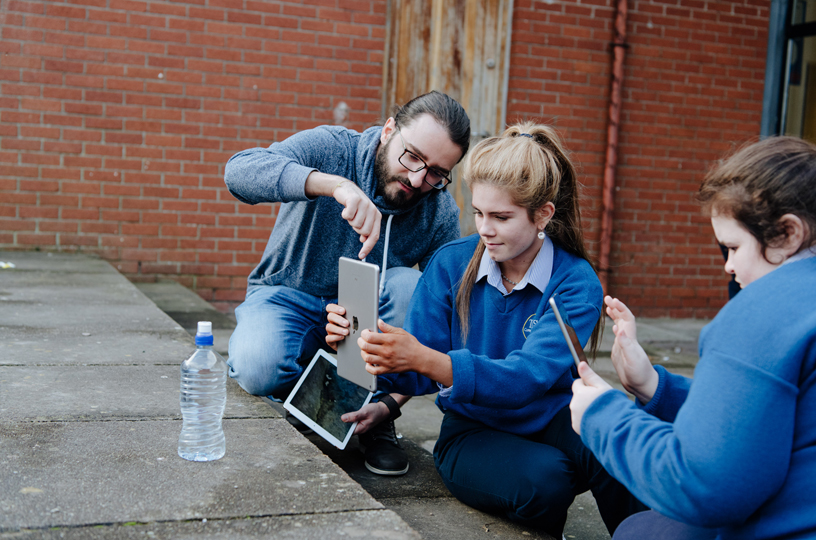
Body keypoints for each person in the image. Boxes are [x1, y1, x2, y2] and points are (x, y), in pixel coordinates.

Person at [326, 122, 646, 537]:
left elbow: (527, 377)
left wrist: (426, 358)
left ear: (543, 214)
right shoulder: (450, 264)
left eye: (501, 217)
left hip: (553, 416)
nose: (484, 229)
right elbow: (412, 373)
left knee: (622, 441)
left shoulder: (576, 281)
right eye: (478, 213)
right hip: (471, 432)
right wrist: (358, 343)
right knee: (546, 480)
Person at [570, 136, 816, 539]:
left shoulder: (764, 310)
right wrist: (654, 387)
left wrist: (602, 415)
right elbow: (762, 418)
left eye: (733, 247)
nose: (729, 267)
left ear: (788, 233)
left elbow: (701, 486)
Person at [223, 91, 471, 476]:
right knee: (256, 362)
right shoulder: (333, 148)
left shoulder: (438, 212)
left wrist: (392, 401)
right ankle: (315, 399)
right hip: (289, 297)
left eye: (437, 172)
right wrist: (335, 185)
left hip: (367, 324)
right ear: (389, 131)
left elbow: (445, 329)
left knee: (411, 290)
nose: (418, 178)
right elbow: (239, 171)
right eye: (413, 156)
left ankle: (374, 412)